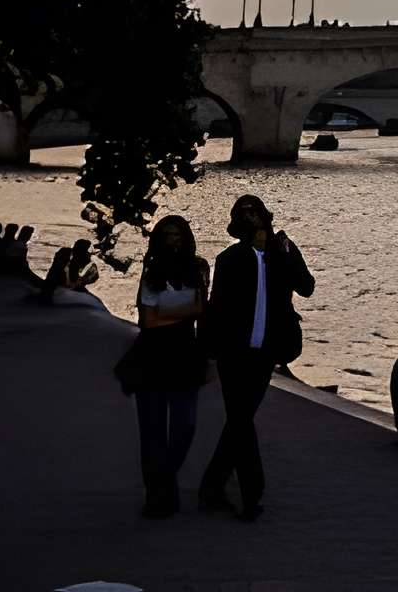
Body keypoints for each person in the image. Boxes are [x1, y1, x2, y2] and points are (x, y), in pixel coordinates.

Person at [195, 193, 312, 520]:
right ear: (237, 224)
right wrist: (207, 353)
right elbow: (217, 308)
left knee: (239, 421)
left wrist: (287, 255)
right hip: (233, 353)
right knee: (241, 421)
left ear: (266, 217)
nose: (251, 219)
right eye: (243, 214)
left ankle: (212, 487)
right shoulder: (229, 259)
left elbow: (306, 287)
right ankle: (251, 495)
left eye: (254, 212)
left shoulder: (283, 252)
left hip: (267, 353)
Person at [127, 215, 210, 518]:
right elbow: (148, 320)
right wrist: (186, 311)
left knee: (185, 426)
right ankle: (157, 494)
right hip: (151, 356)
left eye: (177, 235)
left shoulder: (199, 268)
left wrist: (167, 312)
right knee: (152, 431)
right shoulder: (151, 270)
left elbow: (201, 310)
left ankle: (164, 481)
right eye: (167, 235)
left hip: (186, 355)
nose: (173, 240)